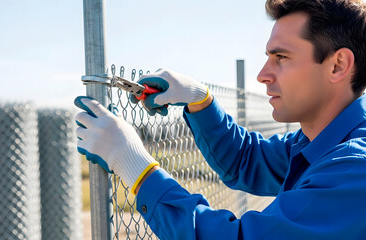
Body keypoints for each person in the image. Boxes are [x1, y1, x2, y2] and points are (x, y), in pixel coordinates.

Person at [75, 0, 366, 239]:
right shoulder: (323, 141)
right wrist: (200, 101)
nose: (262, 74)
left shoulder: (355, 167)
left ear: (338, 65)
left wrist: (135, 166)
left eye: (281, 57)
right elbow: (248, 160)